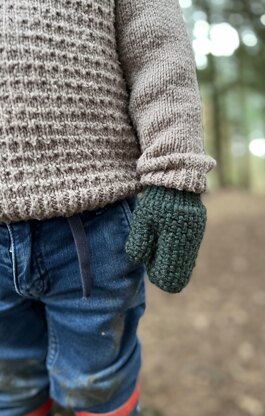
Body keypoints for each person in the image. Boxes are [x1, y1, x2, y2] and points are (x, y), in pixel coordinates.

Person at [0, 0, 216, 415]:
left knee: (97, 385)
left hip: (92, 226)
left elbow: (157, 47)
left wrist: (174, 172)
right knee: (8, 385)